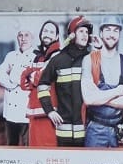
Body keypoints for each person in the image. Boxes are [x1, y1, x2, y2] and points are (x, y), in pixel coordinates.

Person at [38, 16, 93, 147]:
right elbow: (42, 86)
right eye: (81, 31)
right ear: (72, 35)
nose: (85, 35)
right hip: (63, 131)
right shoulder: (58, 60)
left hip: (87, 130)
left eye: (87, 32)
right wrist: (49, 110)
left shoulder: (91, 59)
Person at [81, 16, 123, 148]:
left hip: (118, 129)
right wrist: (117, 91)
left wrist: (99, 96)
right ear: (101, 33)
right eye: (108, 30)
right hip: (95, 129)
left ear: (119, 34)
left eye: (116, 30)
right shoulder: (89, 60)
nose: (112, 34)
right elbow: (88, 99)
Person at [20, 20, 62, 147]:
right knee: (34, 157)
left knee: (48, 156)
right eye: (45, 31)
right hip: (34, 115)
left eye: (51, 32)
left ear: (57, 37)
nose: (47, 34)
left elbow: (40, 78)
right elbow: (23, 80)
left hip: (49, 116)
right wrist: (31, 76)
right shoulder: (37, 57)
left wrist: (33, 76)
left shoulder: (58, 56)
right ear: (40, 34)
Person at [0, 28, 32, 145]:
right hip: (10, 113)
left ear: (32, 38)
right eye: (20, 35)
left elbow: (30, 78)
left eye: (26, 35)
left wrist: (13, 75)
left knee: (28, 147)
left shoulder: (36, 56)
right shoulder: (10, 55)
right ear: (17, 38)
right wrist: (14, 82)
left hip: (26, 113)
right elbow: (0, 75)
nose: (23, 38)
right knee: (11, 146)